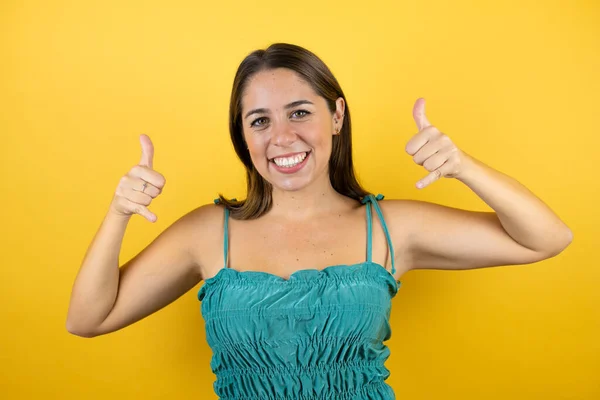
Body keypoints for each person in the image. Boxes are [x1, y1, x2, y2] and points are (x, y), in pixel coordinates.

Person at [66, 43, 573, 399]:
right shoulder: (206, 232)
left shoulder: (391, 228)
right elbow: (87, 319)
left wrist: (462, 167)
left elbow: (547, 238)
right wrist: (119, 213)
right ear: (244, 137)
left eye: (300, 112)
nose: (282, 137)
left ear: (336, 116)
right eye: (260, 120)